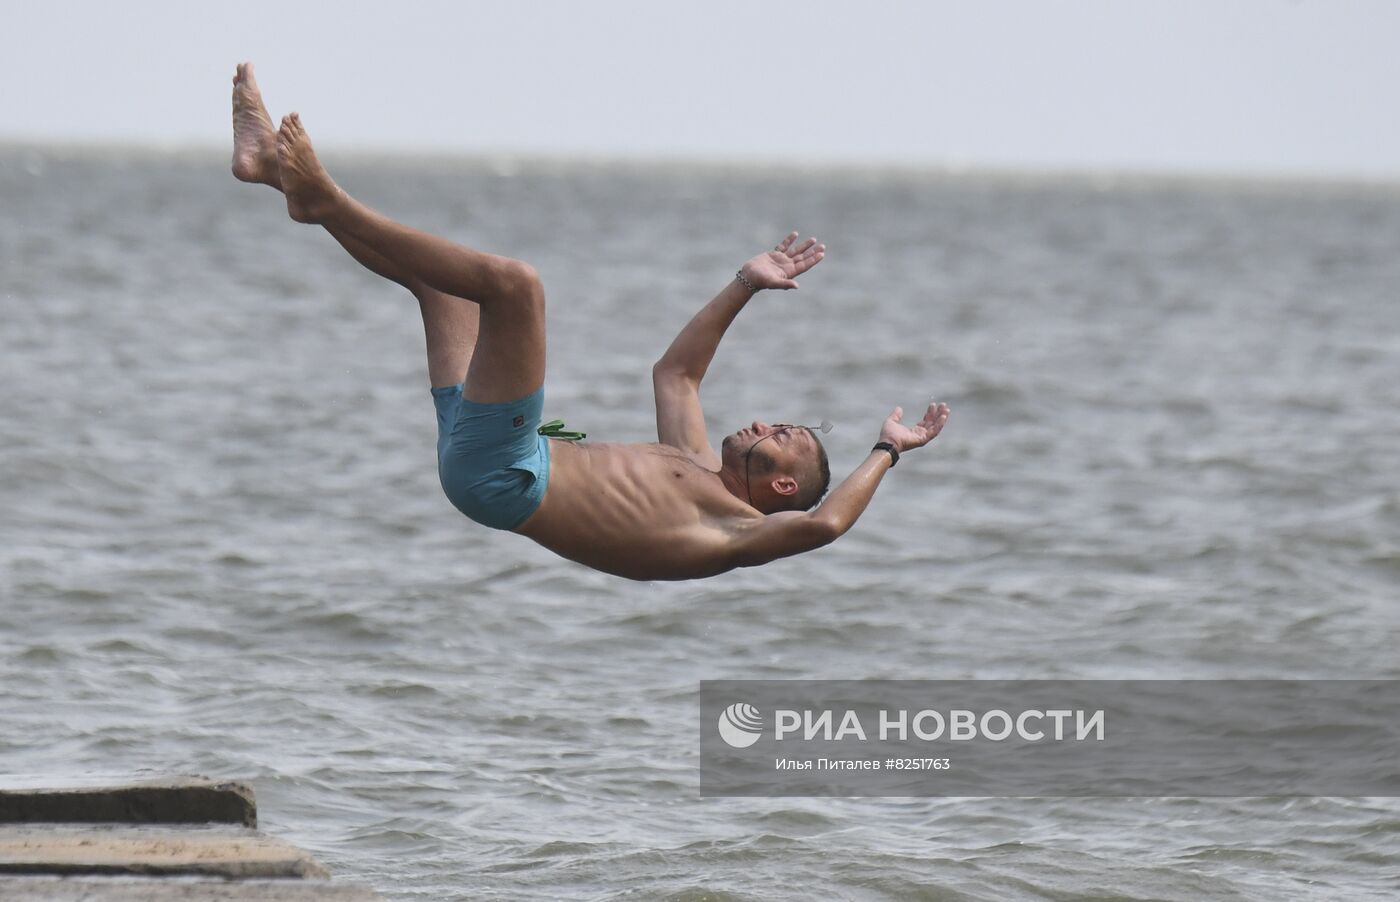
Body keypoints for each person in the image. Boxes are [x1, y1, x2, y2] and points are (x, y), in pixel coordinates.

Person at [231, 63, 950, 581]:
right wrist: (745, 283)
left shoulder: (735, 530)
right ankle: (275, 175)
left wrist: (887, 449)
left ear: (782, 488)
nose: (765, 424)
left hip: (506, 473)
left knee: (517, 287)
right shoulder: (695, 461)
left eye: (781, 438)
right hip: (484, 458)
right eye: (777, 421)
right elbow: (677, 372)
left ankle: (325, 199)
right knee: (442, 293)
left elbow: (827, 526)